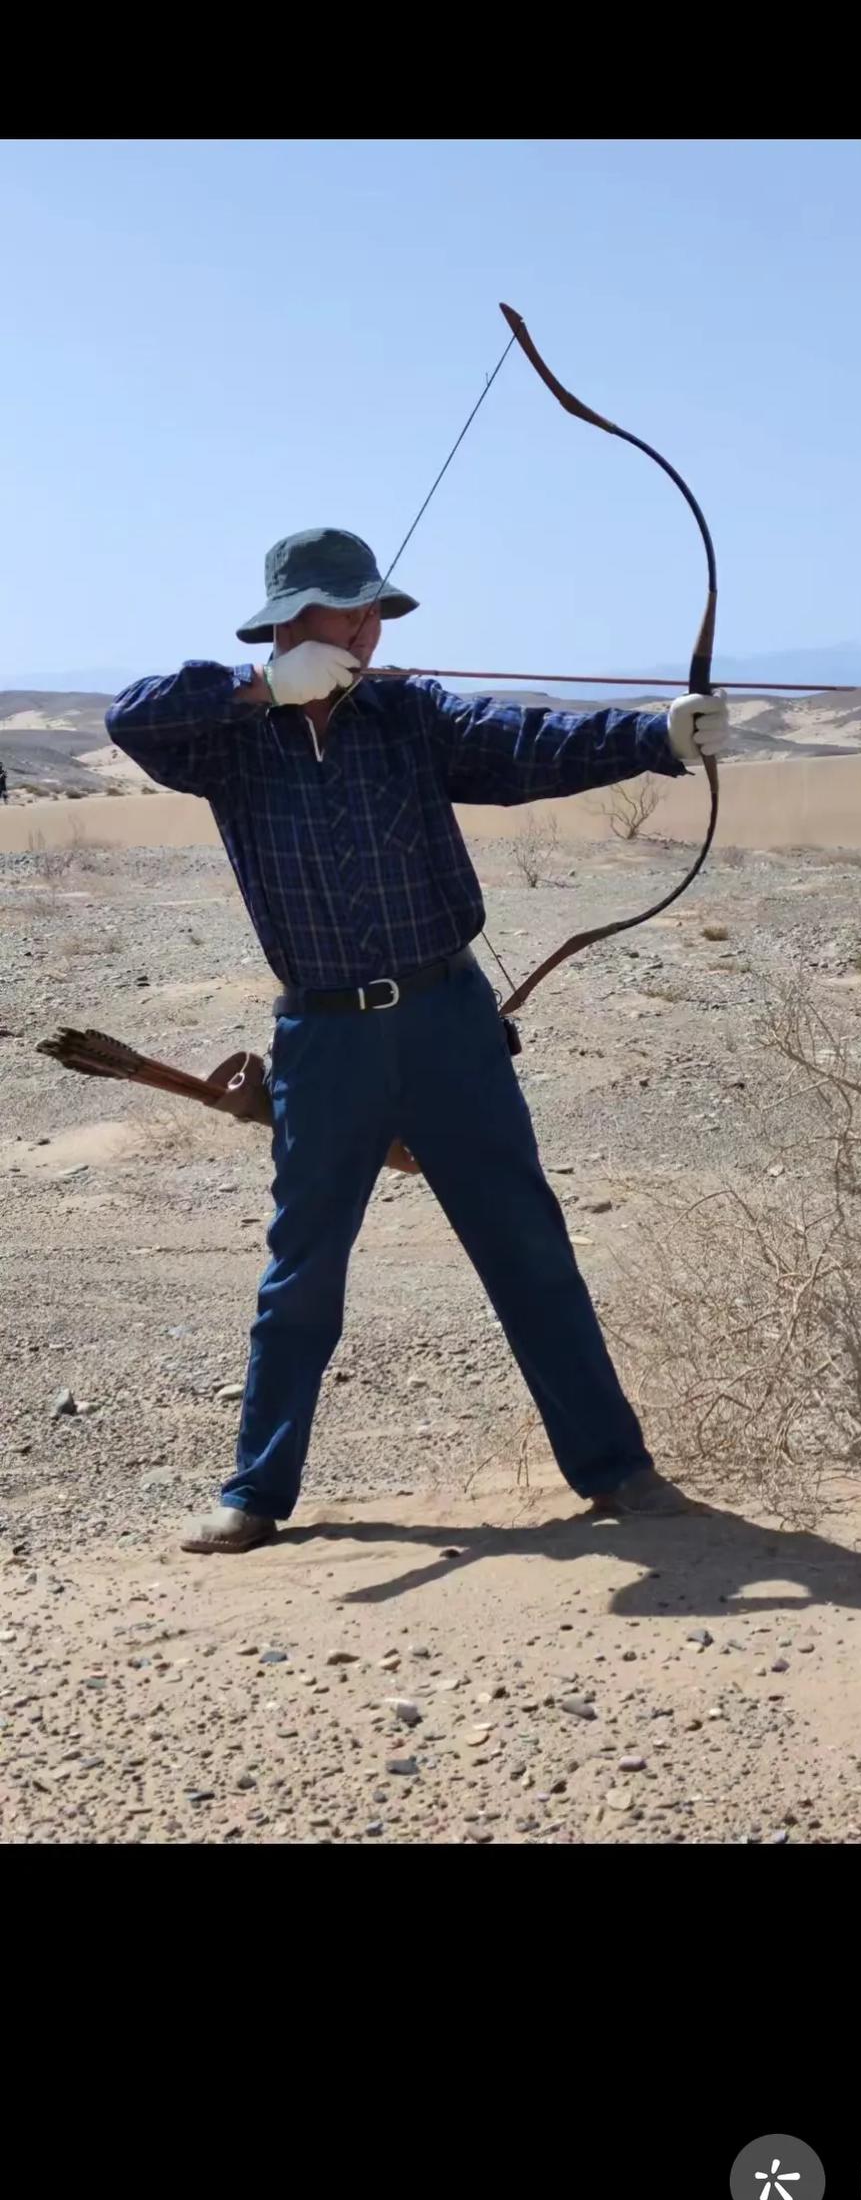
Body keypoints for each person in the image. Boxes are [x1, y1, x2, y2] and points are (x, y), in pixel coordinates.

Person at [106, 528, 729, 1554]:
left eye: (371, 613)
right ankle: (256, 1494)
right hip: (324, 1036)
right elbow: (131, 717)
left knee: (526, 1247)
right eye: (344, 613)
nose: (365, 629)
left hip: (447, 1023)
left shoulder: (409, 716)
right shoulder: (226, 738)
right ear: (287, 622)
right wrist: (262, 691)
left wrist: (660, 735)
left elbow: (526, 743)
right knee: (300, 1274)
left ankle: (616, 1470)